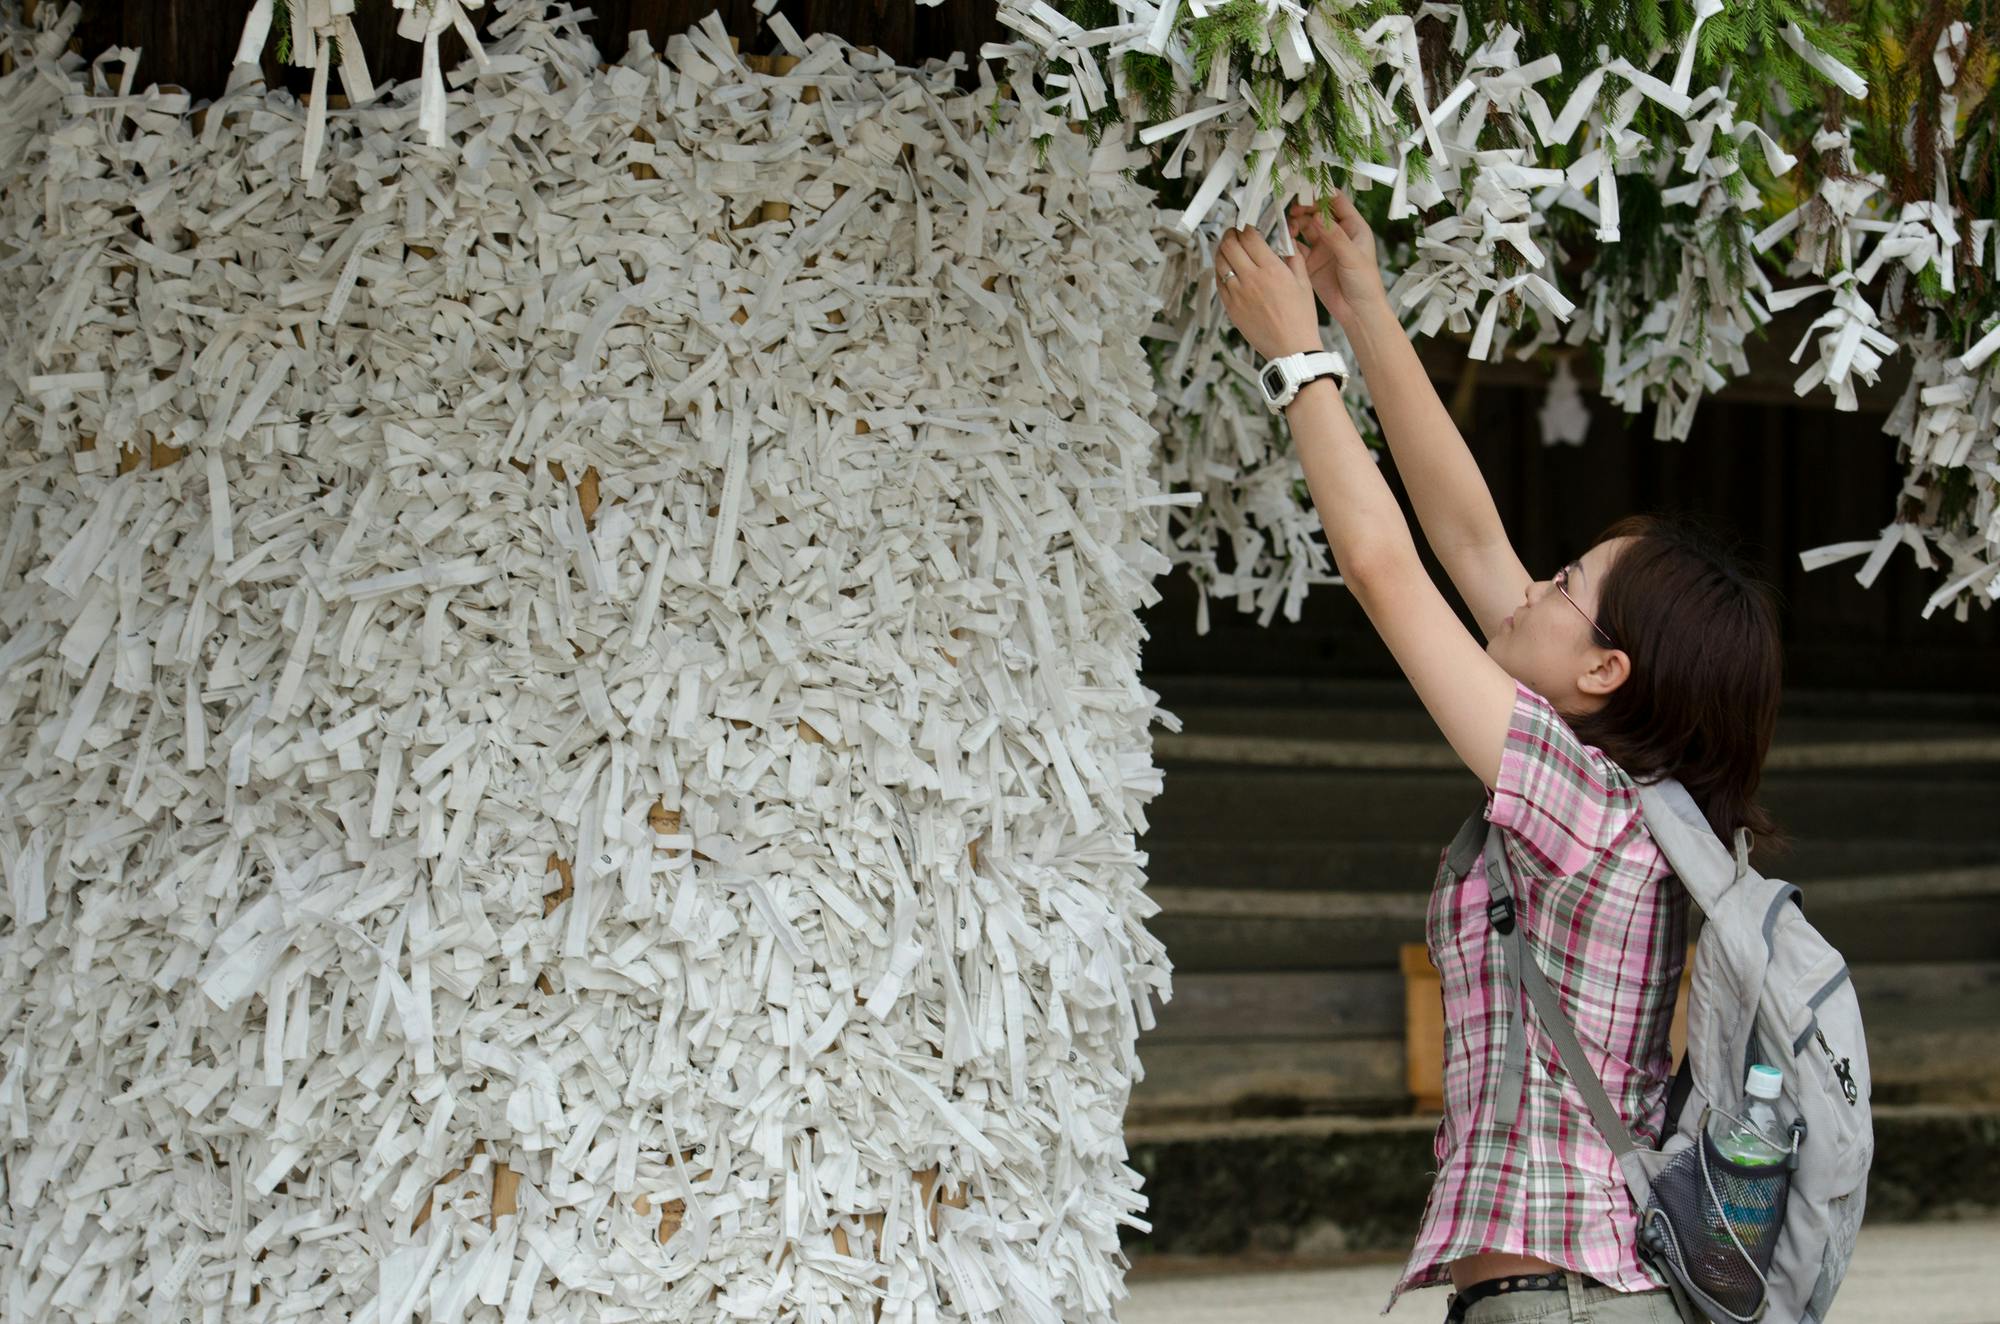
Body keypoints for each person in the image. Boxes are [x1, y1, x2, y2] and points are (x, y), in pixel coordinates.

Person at [1209, 194, 1786, 1324]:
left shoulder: (1584, 803)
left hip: (1563, 1300)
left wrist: (1296, 362)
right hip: (1566, 1294)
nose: (1530, 588)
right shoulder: (1628, 800)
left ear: (1605, 669)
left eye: (1562, 584)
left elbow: (1386, 572)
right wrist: (1361, 308)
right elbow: (1466, 538)